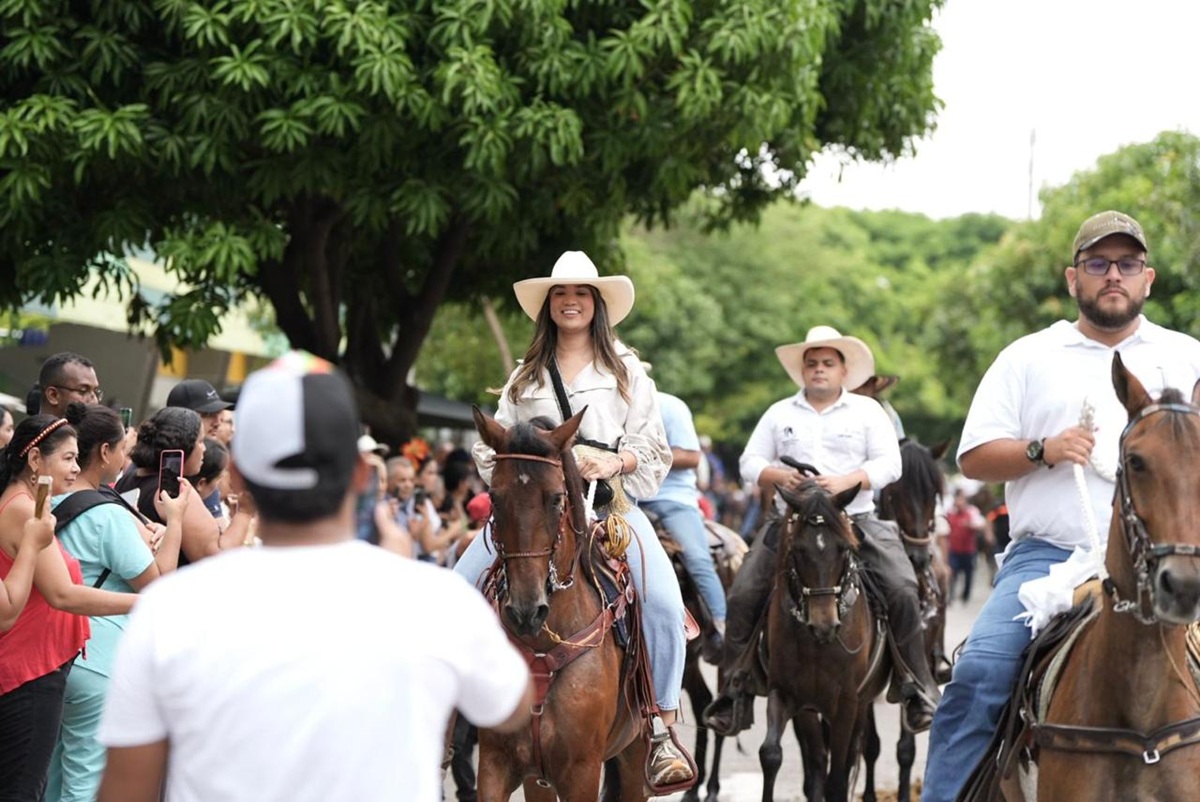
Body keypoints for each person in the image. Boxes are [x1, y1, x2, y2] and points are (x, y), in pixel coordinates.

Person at [96, 351, 533, 802]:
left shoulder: (170, 610)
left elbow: (126, 791)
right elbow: (512, 704)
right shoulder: (434, 601)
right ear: (362, 474)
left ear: (239, 472)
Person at [922, 210, 1200, 801]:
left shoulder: (1188, 356)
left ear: (1147, 279)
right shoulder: (1028, 355)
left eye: (1127, 264)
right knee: (977, 678)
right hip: (1046, 561)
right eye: (1098, 264)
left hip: (1176, 560)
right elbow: (973, 457)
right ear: (1073, 278)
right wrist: (1040, 449)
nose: (1113, 275)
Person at [456, 250, 694, 791]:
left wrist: (613, 460)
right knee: (458, 585)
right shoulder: (524, 375)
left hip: (609, 509)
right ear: (548, 305)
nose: (570, 301)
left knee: (661, 600)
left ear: (596, 304)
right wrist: (516, 465)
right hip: (533, 511)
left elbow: (653, 449)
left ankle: (659, 729)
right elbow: (490, 443)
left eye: (580, 293)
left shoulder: (626, 370)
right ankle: (445, 724)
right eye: (560, 294)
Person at [703, 325, 940, 735]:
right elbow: (749, 462)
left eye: (827, 363)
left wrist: (850, 479)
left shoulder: (869, 413)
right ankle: (735, 691)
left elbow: (891, 465)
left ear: (843, 371)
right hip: (790, 522)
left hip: (856, 520)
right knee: (742, 593)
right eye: (811, 363)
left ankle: (915, 686)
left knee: (902, 587)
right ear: (802, 371)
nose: (818, 370)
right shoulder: (779, 413)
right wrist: (780, 475)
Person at [44, 403, 188, 802]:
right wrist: (174, 520)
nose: (127, 458)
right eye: (123, 448)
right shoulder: (108, 516)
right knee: (85, 780)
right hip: (99, 659)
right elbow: (159, 587)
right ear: (105, 452)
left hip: (55, 654)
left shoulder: (46, 501)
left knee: (53, 775)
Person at [0, 415, 138, 801]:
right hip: (28, 670)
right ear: (34, 460)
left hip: (39, 666)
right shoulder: (24, 510)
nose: (77, 468)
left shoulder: (29, 506)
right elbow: (65, 595)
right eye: (68, 458)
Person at [642, 391, 727, 664]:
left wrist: (636, 458)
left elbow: (691, 457)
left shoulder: (668, 405)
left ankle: (721, 628)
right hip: (619, 499)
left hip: (670, 498)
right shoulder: (603, 405)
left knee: (696, 557)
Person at [114, 407, 252, 563]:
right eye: (200, 441)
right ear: (183, 447)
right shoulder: (176, 489)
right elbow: (215, 559)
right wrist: (245, 513)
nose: (204, 449)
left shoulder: (127, 478)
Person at [31, 353, 102, 419]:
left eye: (95, 391)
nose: (94, 401)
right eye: (83, 391)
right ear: (53, 395)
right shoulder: (28, 432)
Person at [944, 487, 984, 604]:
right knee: (953, 572)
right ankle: (951, 595)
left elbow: (980, 524)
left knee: (968, 573)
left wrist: (970, 525)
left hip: (968, 549)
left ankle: (966, 595)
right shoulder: (950, 512)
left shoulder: (972, 511)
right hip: (954, 548)